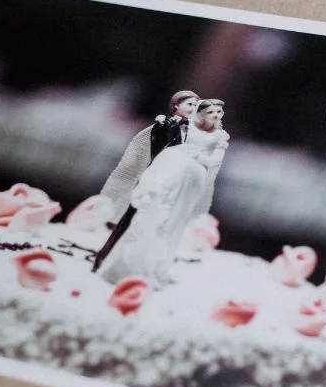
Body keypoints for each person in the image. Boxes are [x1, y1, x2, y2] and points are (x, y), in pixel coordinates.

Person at [96, 99, 228, 285]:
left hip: (191, 180)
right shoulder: (182, 129)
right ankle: (121, 263)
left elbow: (215, 160)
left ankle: (154, 265)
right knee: (145, 220)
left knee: (172, 223)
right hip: (169, 174)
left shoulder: (218, 136)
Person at [93, 90, 200, 271]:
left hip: (165, 184)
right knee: (130, 219)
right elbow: (147, 151)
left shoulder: (188, 131)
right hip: (149, 180)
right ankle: (108, 256)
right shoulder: (161, 126)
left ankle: (135, 260)